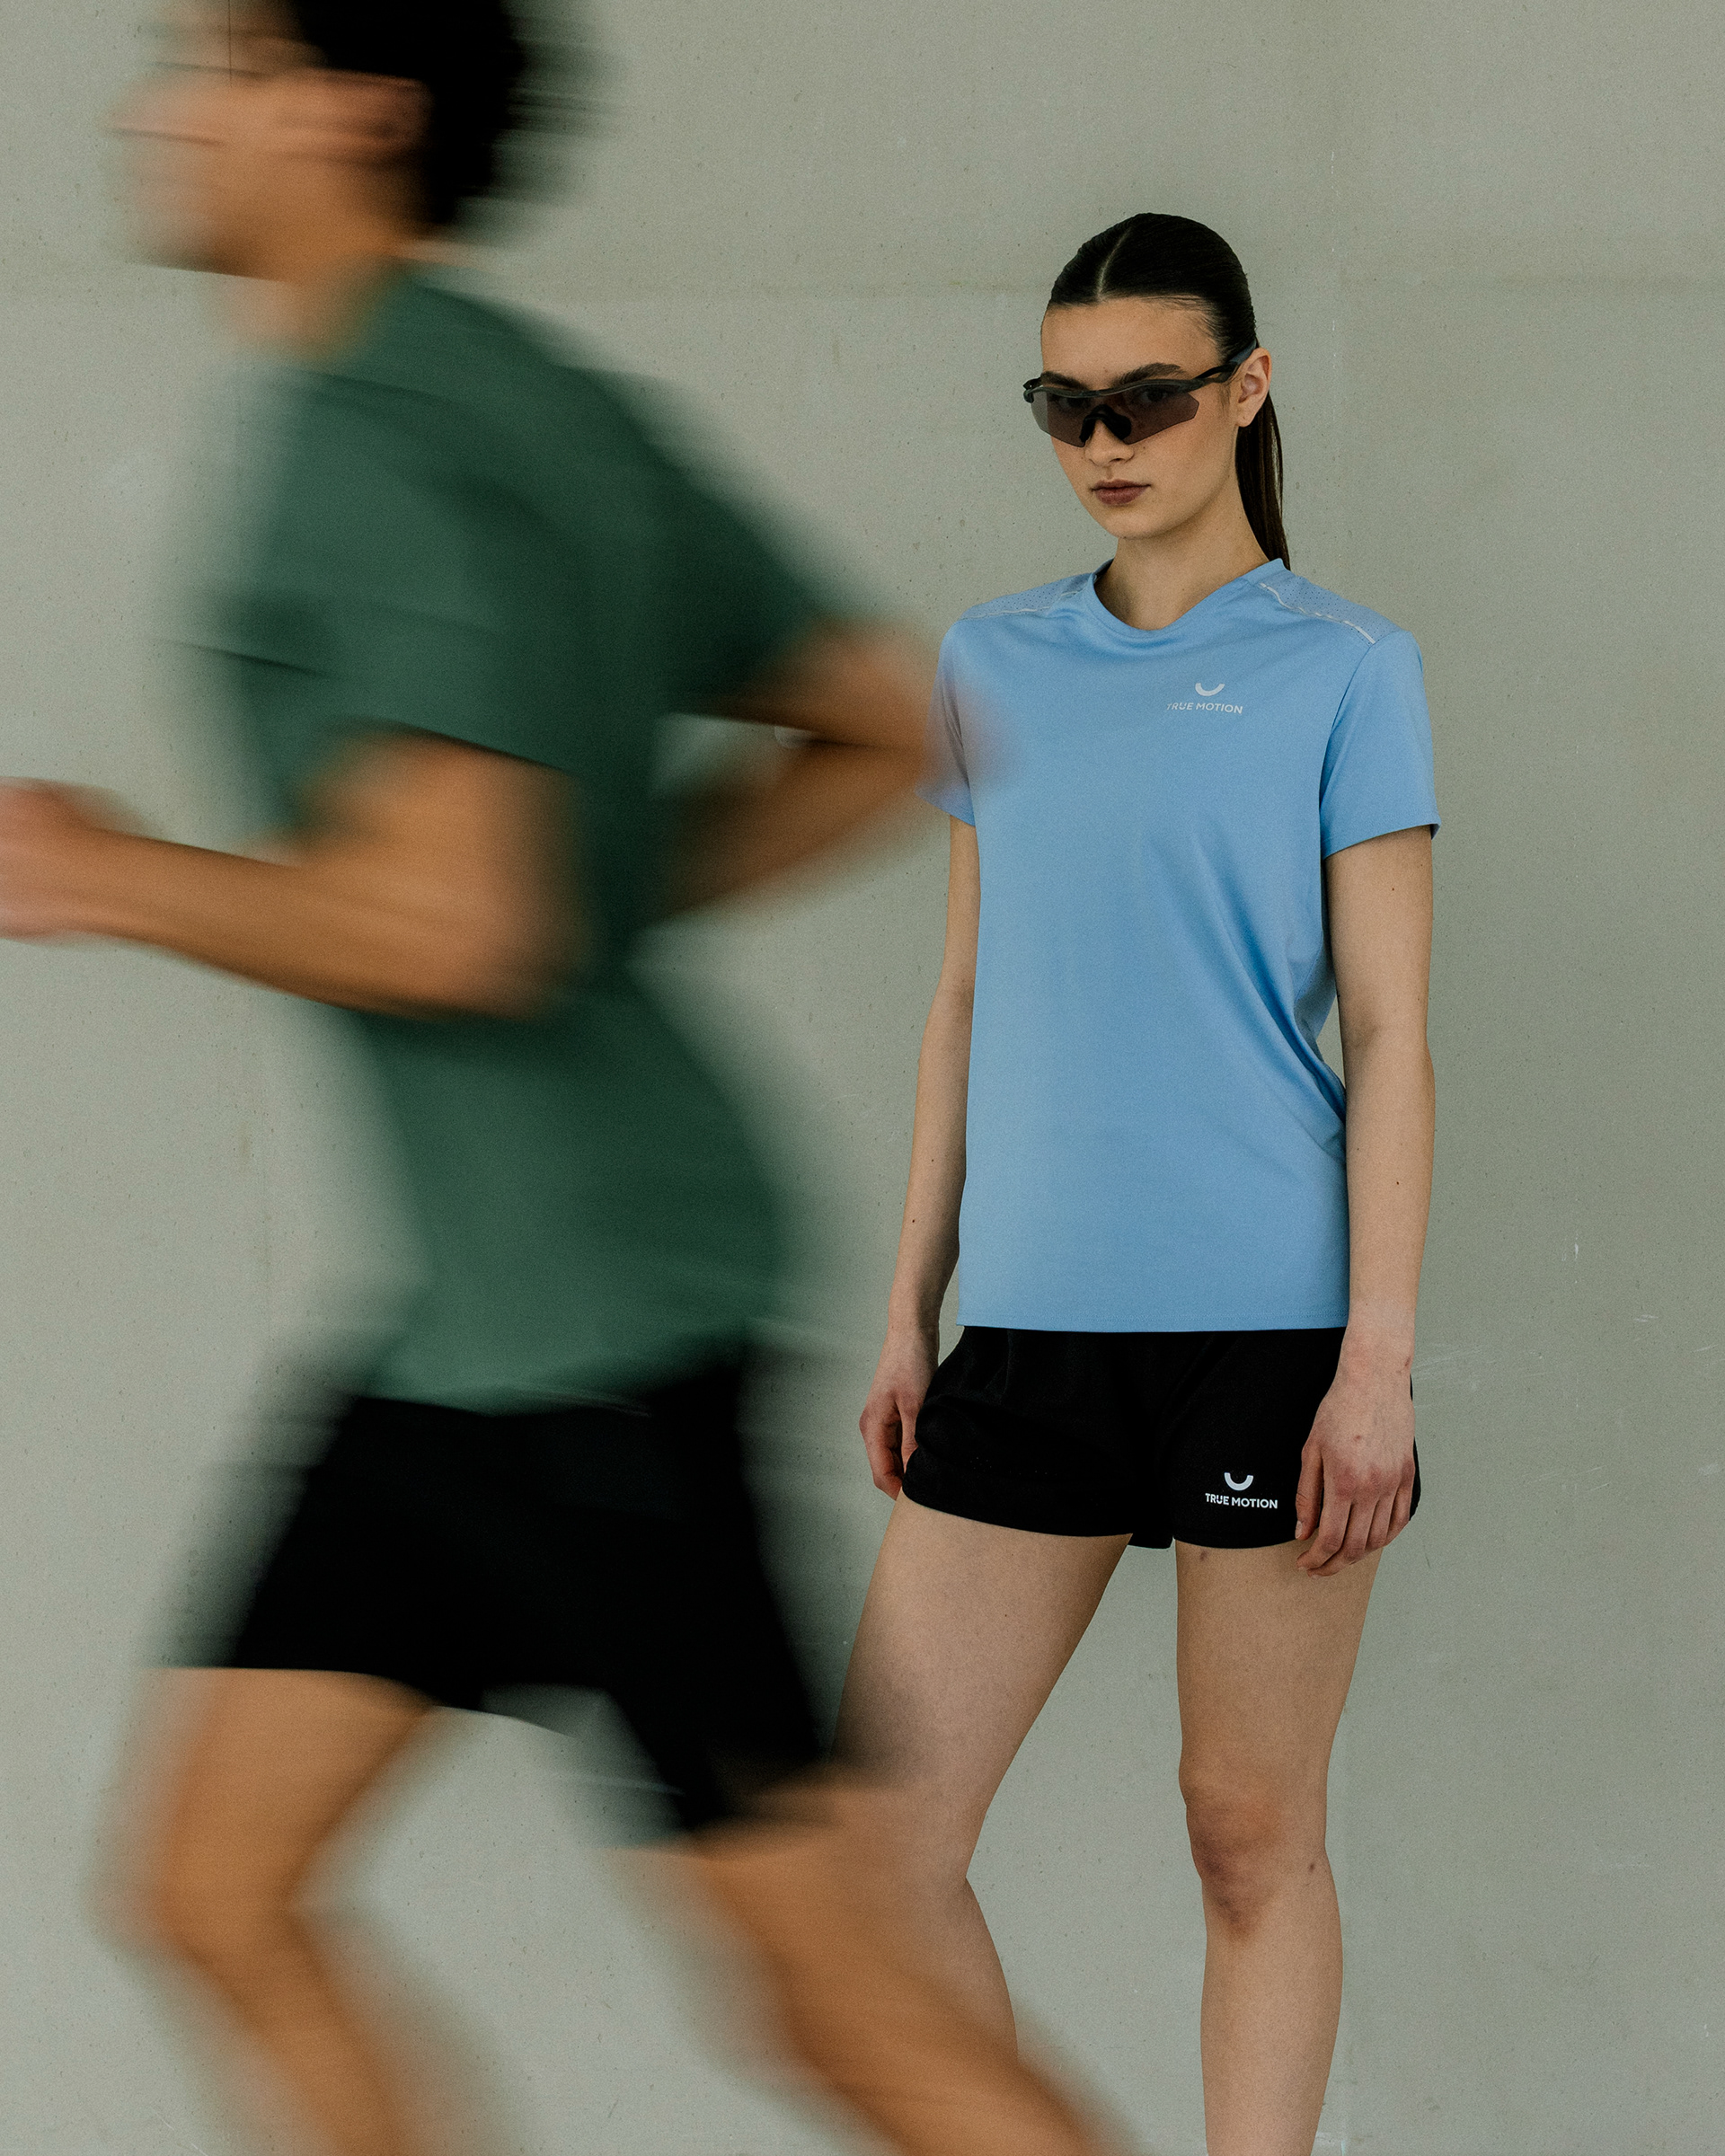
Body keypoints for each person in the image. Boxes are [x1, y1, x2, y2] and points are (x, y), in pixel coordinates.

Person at [0, 9, 1118, 2156]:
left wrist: (108, 873)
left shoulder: (365, 436)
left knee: (838, 2015)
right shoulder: (544, 405)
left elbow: (451, 926)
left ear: (359, 109)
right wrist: (596, 901)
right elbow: (893, 720)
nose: (164, 108)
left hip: (588, 1351)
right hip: (484, 1331)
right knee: (212, 1891)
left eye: (219, 63)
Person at [836, 211, 1439, 2156]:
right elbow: (961, 999)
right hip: (1026, 1326)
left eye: (1149, 398)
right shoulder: (992, 659)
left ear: (1245, 390)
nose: (1104, 440)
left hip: (1270, 1332)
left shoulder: (1348, 668)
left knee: (1247, 1830)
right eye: (1065, 403)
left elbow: (1391, 1036)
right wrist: (908, 1309)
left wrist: (1376, 1364)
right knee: (878, 1846)